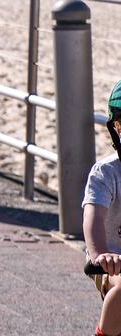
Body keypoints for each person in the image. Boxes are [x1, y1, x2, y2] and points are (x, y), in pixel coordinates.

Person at [85, 80, 121, 336]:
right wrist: (101, 254)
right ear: (117, 128)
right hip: (113, 263)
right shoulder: (107, 172)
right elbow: (94, 218)